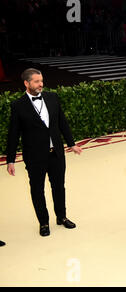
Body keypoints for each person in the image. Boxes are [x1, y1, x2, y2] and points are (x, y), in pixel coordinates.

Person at [6, 68, 82, 237]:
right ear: (26, 83)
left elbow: (62, 122)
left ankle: (61, 217)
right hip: (34, 157)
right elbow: (13, 134)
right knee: (37, 190)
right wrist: (10, 160)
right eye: (36, 81)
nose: (41, 84)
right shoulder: (18, 105)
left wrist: (72, 144)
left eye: (41, 81)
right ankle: (44, 222)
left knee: (59, 187)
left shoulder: (52, 97)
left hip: (56, 153)